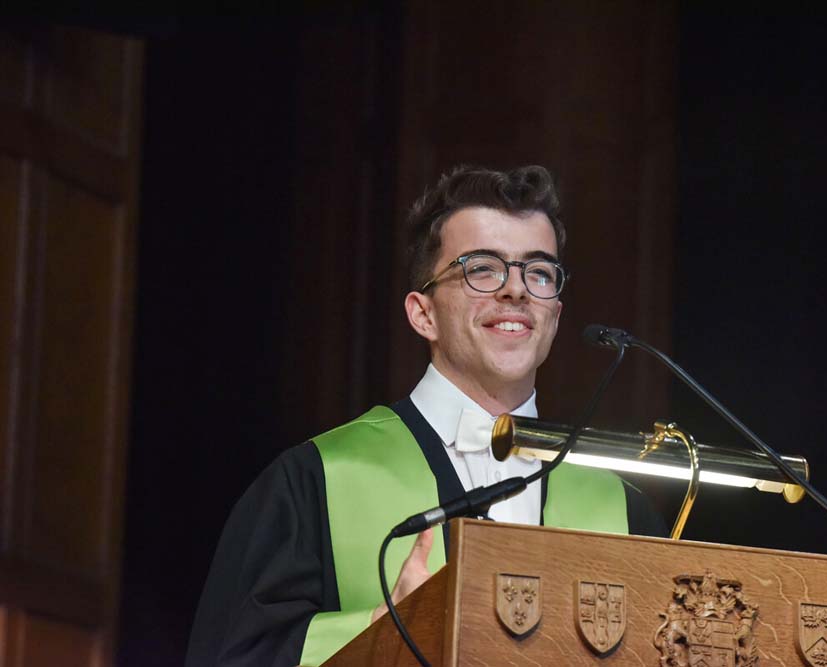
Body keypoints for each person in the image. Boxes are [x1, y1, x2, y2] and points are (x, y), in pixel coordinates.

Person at [185, 165, 668, 667]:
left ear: (555, 316)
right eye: (483, 268)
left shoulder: (623, 511)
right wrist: (381, 630)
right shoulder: (314, 481)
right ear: (423, 313)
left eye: (539, 272)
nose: (516, 290)